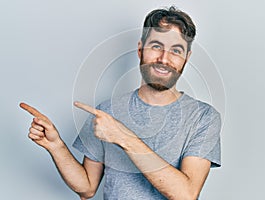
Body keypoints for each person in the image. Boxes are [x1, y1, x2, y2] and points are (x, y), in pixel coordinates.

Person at [20, 6, 221, 200]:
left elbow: (186, 195)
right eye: (156, 46)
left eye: (176, 51)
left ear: (186, 58)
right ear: (140, 49)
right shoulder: (106, 112)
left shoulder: (203, 117)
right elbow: (87, 188)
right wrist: (56, 146)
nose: (164, 59)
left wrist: (122, 137)